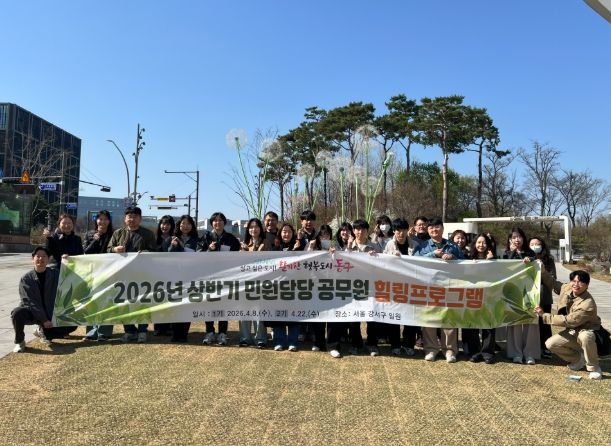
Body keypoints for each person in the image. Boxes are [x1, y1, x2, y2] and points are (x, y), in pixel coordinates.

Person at [535, 270, 602, 380]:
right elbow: (552, 282)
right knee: (550, 344)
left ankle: (594, 368)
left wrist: (544, 315)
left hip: (589, 331)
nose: (576, 284)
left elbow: (568, 321)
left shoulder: (588, 304)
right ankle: (578, 360)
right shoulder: (567, 288)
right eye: (573, 281)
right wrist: (541, 270)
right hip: (573, 331)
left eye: (580, 282)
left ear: (587, 285)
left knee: (585, 336)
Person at [414, 217, 463, 363]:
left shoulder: (452, 246)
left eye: (437, 227)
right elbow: (414, 262)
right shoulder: (422, 246)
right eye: (431, 227)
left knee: (448, 319)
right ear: (428, 230)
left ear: (442, 228)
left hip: (449, 286)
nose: (434, 230)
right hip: (428, 286)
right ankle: (431, 349)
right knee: (429, 318)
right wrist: (433, 255)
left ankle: (450, 350)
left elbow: (463, 262)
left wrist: (453, 257)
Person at [12, 247, 77, 352]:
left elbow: (68, 278)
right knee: (17, 313)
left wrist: (68, 262)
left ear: (48, 259)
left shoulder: (54, 273)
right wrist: (44, 320)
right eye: (38, 256)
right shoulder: (26, 278)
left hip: (50, 312)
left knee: (72, 324)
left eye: (44, 256)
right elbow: (29, 302)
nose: (41, 259)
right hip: (32, 312)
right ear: (33, 259)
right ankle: (20, 342)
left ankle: (43, 331)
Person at [107, 206, 157, 343]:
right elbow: (108, 249)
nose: (132, 219)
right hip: (122, 274)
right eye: (129, 216)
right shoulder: (118, 233)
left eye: (135, 216)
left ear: (140, 219)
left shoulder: (148, 234)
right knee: (123, 303)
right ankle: (129, 331)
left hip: (142, 274)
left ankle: (142, 330)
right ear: (125, 219)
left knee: (143, 302)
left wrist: (146, 252)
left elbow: (155, 251)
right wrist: (115, 249)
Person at [197, 211, 240, 345]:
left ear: (224, 223)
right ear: (211, 223)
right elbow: (197, 255)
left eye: (220, 220)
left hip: (226, 277)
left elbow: (238, 256)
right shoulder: (206, 237)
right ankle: (210, 331)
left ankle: (222, 333)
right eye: (215, 220)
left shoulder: (231, 238)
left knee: (223, 305)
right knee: (208, 305)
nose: (218, 223)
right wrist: (209, 250)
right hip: (208, 277)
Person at [503, 227, 540, 365]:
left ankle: (530, 353)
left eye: (519, 236)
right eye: (514, 237)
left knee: (530, 320)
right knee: (514, 321)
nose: (516, 239)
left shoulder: (530, 252)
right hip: (513, 292)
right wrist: (513, 252)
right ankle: (516, 353)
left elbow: (536, 265)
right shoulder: (506, 253)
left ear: (523, 238)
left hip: (529, 291)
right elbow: (503, 267)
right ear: (510, 240)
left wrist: (530, 259)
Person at [383, 217, 418, 357]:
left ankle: (408, 344)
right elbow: (382, 263)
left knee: (411, 316)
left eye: (403, 230)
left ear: (407, 230)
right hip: (394, 285)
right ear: (394, 231)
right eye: (398, 230)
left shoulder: (415, 245)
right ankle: (395, 345)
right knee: (394, 315)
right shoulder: (389, 245)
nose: (401, 233)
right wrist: (391, 257)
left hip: (411, 285)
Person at [348, 219, 382, 357]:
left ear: (367, 231)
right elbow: (342, 264)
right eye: (357, 229)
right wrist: (347, 249)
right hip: (353, 285)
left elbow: (384, 264)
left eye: (363, 229)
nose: (360, 232)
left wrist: (375, 258)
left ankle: (372, 344)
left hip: (371, 286)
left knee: (372, 316)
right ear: (353, 231)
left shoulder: (375, 246)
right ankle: (355, 344)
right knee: (354, 317)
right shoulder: (349, 246)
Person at [462, 233, 497, 364]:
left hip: (489, 295)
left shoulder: (495, 259)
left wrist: (489, 261)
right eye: (478, 242)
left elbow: (496, 275)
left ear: (488, 244)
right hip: (472, 295)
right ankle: (474, 352)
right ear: (474, 244)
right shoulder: (467, 258)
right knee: (472, 323)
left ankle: (488, 352)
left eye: (484, 242)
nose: (481, 245)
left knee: (488, 324)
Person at [82, 210, 115, 341]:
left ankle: (104, 332)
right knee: (92, 302)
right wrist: (95, 240)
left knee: (107, 302)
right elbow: (86, 252)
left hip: (109, 272)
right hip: (93, 273)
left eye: (105, 219)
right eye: (100, 219)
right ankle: (91, 332)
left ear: (109, 221)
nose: (102, 221)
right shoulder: (89, 234)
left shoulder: (114, 234)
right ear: (96, 220)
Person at [269, 222, 300, 351]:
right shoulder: (274, 249)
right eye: (284, 231)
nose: (286, 234)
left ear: (293, 234)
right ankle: (279, 341)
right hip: (278, 287)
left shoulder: (299, 248)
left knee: (293, 315)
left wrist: (295, 250)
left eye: (289, 231)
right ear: (280, 233)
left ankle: (293, 341)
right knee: (278, 315)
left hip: (294, 287)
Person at [239, 218, 270, 347]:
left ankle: (260, 338)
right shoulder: (244, 243)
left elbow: (265, 261)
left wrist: (251, 251)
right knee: (244, 310)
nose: (253, 229)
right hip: (245, 282)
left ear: (260, 229)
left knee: (259, 311)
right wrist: (243, 252)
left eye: (256, 226)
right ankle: (245, 338)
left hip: (261, 282)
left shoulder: (266, 242)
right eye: (251, 227)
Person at [168, 215, 199, 342]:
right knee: (175, 305)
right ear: (179, 225)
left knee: (187, 305)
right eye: (183, 223)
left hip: (190, 277)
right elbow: (166, 255)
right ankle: (175, 333)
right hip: (175, 277)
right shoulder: (172, 238)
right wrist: (173, 246)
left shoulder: (196, 240)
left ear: (192, 226)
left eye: (188, 224)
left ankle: (184, 334)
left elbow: (199, 256)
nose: (185, 226)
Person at [528, 236, 556, 358]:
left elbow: (552, 280)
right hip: (529, 296)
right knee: (530, 324)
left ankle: (546, 347)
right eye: (532, 244)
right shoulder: (526, 258)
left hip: (544, 297)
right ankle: (533, 347)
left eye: (537, 244)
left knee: (544, 323)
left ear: (542, 246)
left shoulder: (549, 260)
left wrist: (543, 270)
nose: (535, 246)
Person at [153, 215, 176, 337]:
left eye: (167, 224)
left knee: (170, 301)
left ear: (172, 226)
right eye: (162, 223)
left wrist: (174, 246)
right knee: (158, 301)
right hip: (156, 274)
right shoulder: (154, 238)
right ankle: (158, 328)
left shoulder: (175, 239)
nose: (164, 226)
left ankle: (169, 327)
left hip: (171, 274)